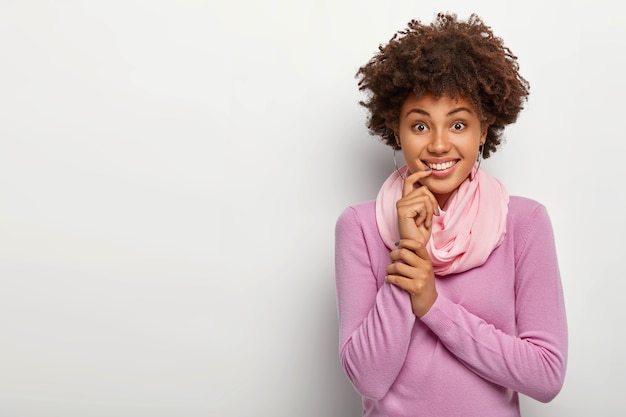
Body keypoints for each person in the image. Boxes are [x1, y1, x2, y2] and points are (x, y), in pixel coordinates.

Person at [334, 13, 567, 417]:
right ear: (395, 128)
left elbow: (546, 376)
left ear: (484, 128)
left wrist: (432, 305)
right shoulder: (359, 226)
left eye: (458, 124)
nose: (440, 145)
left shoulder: (525, 224)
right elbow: (369, 378)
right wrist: (410, 249)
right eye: (420, 126)